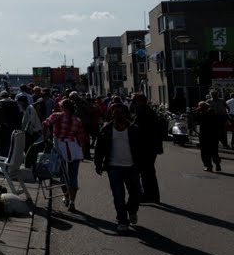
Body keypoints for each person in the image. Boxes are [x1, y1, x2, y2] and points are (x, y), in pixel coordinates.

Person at [95, 104, 149, 232]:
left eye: (121, 112)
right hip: (114, 167)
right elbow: (100, 148)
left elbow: (142, 149)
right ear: (112, 114)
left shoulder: (134, 129)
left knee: (136, 193)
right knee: (118, 195)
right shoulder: (107, 129)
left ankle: (132, 210)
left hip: (132, 166)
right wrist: (98, 164)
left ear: (126, 114)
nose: (118, 115)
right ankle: (122, 220)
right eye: (115, 112)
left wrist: (143, 165)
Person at [43, 98, 88, 212]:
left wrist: (44, 138)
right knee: (73, 176)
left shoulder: (56, 116)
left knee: (62, 175)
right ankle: (72, 201)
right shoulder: (76, 120)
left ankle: (66, 197)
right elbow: (82, 137)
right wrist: (82, 152)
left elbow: (45, 123)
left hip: (60, 148)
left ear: (63, 107)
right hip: (73, 148)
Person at [130, 93, 164, 203]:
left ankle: (150, 195)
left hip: (146, 147)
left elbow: (139, 130)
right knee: (147, 171)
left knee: (146, 171)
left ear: (141, 101)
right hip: (148, 146)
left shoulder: (144, 113)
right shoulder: (145, 112)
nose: (133, 103)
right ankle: (151, 195)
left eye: (134, 101)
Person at [193, 101, 223, 172]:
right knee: (214, 150)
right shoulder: (215, 114)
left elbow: (195, 120)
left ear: (201, 108)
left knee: (205, 151)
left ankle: (208, 166)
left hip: (204, 135)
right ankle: (217, 163)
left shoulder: (202, 115)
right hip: (214, 135)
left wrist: (197, 112)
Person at [18, 95, 42, 168]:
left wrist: (26, 131)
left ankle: (31, 166)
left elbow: (30, 121)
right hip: (29, 133)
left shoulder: (29, 108)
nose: (19, 105)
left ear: (23, 102)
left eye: (20, 103)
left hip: (32, 133)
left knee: (30, 151)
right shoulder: (26, 109)